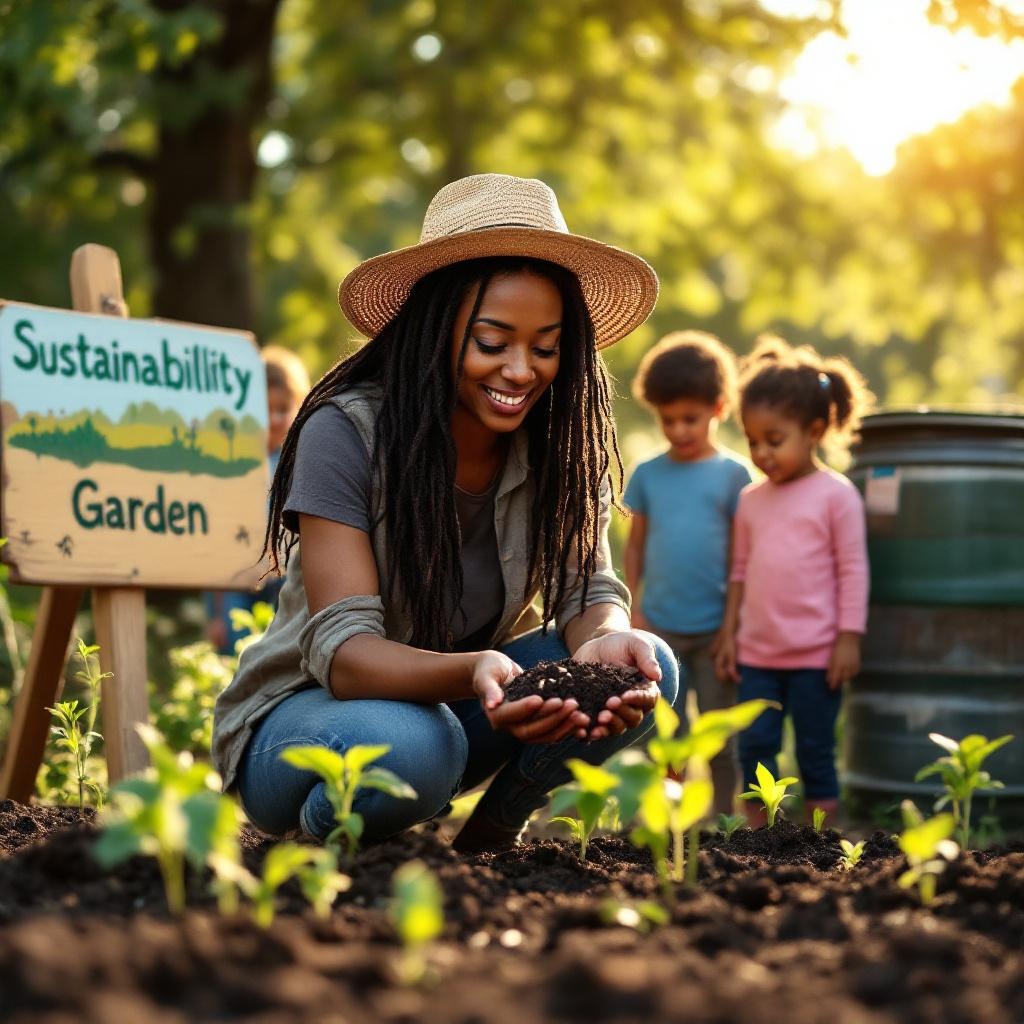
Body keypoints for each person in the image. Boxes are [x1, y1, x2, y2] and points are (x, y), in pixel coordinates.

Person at [212, 173, 680, 854]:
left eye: (545, 347)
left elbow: (586, 589)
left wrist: (602, 638)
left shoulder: (558, 442)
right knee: (420, 749)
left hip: (460, 704)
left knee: (642, 667)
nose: (521, 370)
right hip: (306, 720)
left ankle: (488, 839)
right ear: (437, 329)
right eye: (492, 342)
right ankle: (307, 852)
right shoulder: (346, 433)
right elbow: (346, 656)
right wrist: (472, 669)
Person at [714, 335, 872, 825]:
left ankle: (823, 838)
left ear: (814, 431)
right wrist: (729, 633)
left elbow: (853, 569)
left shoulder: (837, 496)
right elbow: (740, 570)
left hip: (816, 656)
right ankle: (758, 841)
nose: (761, 452)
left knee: (814, 748)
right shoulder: (751, 501)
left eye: (774, 440)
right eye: (752, 440)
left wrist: (848, 638)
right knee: (755, 747)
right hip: (757, 655)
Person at [623, 331, 752, 814]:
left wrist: (732, 629)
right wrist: (636, 612)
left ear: (718, 408)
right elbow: (635, 548)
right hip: (661, 628)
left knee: (719, 734)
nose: (678, 430)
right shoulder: (647, 475)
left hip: (715, 631)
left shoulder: (735, 476)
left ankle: (722, 817)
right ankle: (665, 815)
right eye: (668, 419)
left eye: (690, 419)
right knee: (664, 734)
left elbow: (742, 561)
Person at [206, 346, 312, 655]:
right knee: (234, 649)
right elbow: (216, 542)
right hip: (236, 577)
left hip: (286, 577)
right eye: (265, 410)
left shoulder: (300, 460)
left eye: (283, 408)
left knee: (281, 648)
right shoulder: (233, 464)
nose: (274, 419)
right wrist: (215, 614)